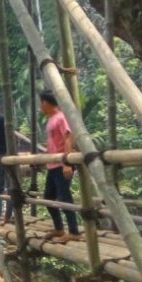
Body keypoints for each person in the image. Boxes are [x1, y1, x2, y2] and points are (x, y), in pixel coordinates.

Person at [40, 91, 79, 241]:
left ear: (46, 103)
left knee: (64, 197)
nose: (40, 106)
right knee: (48, 197)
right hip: (52, 164)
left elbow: (68, 137)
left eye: (41, 102)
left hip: (61, 164)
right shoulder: (51, 119)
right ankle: (59, 228)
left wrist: (67, 163)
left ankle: (74, 232)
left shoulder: (61, 117)